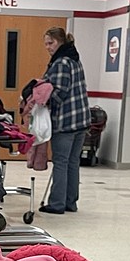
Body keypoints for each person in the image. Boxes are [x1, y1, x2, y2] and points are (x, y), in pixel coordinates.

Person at [40, 27, 90, 215]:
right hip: (81, 120)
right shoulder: (75, 60)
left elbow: (59, 92)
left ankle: (57, 204)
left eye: (50, 43)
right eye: (45, 43)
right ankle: (70, 202)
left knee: (60, 162)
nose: (48, 47)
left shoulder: (61, 62)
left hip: (65, 121)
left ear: (60, 42)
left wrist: (41, 99)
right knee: (72, 162)